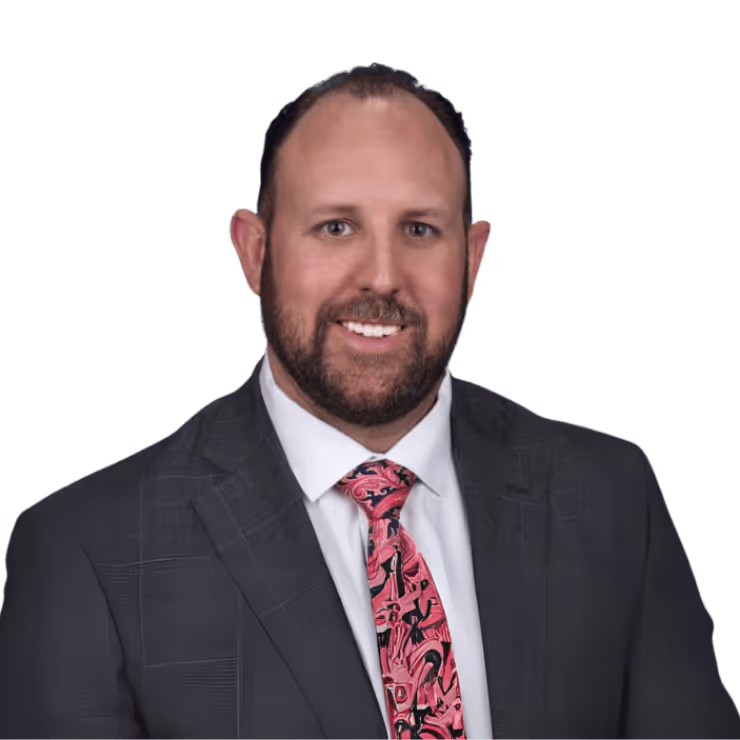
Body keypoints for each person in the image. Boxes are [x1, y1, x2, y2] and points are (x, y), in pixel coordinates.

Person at [0, 61, 737, 740]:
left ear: (472, 258)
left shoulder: (611, 498)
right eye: (336, 227)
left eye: (420, 229)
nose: (381, 276)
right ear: (254, 251)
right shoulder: (86, 552)